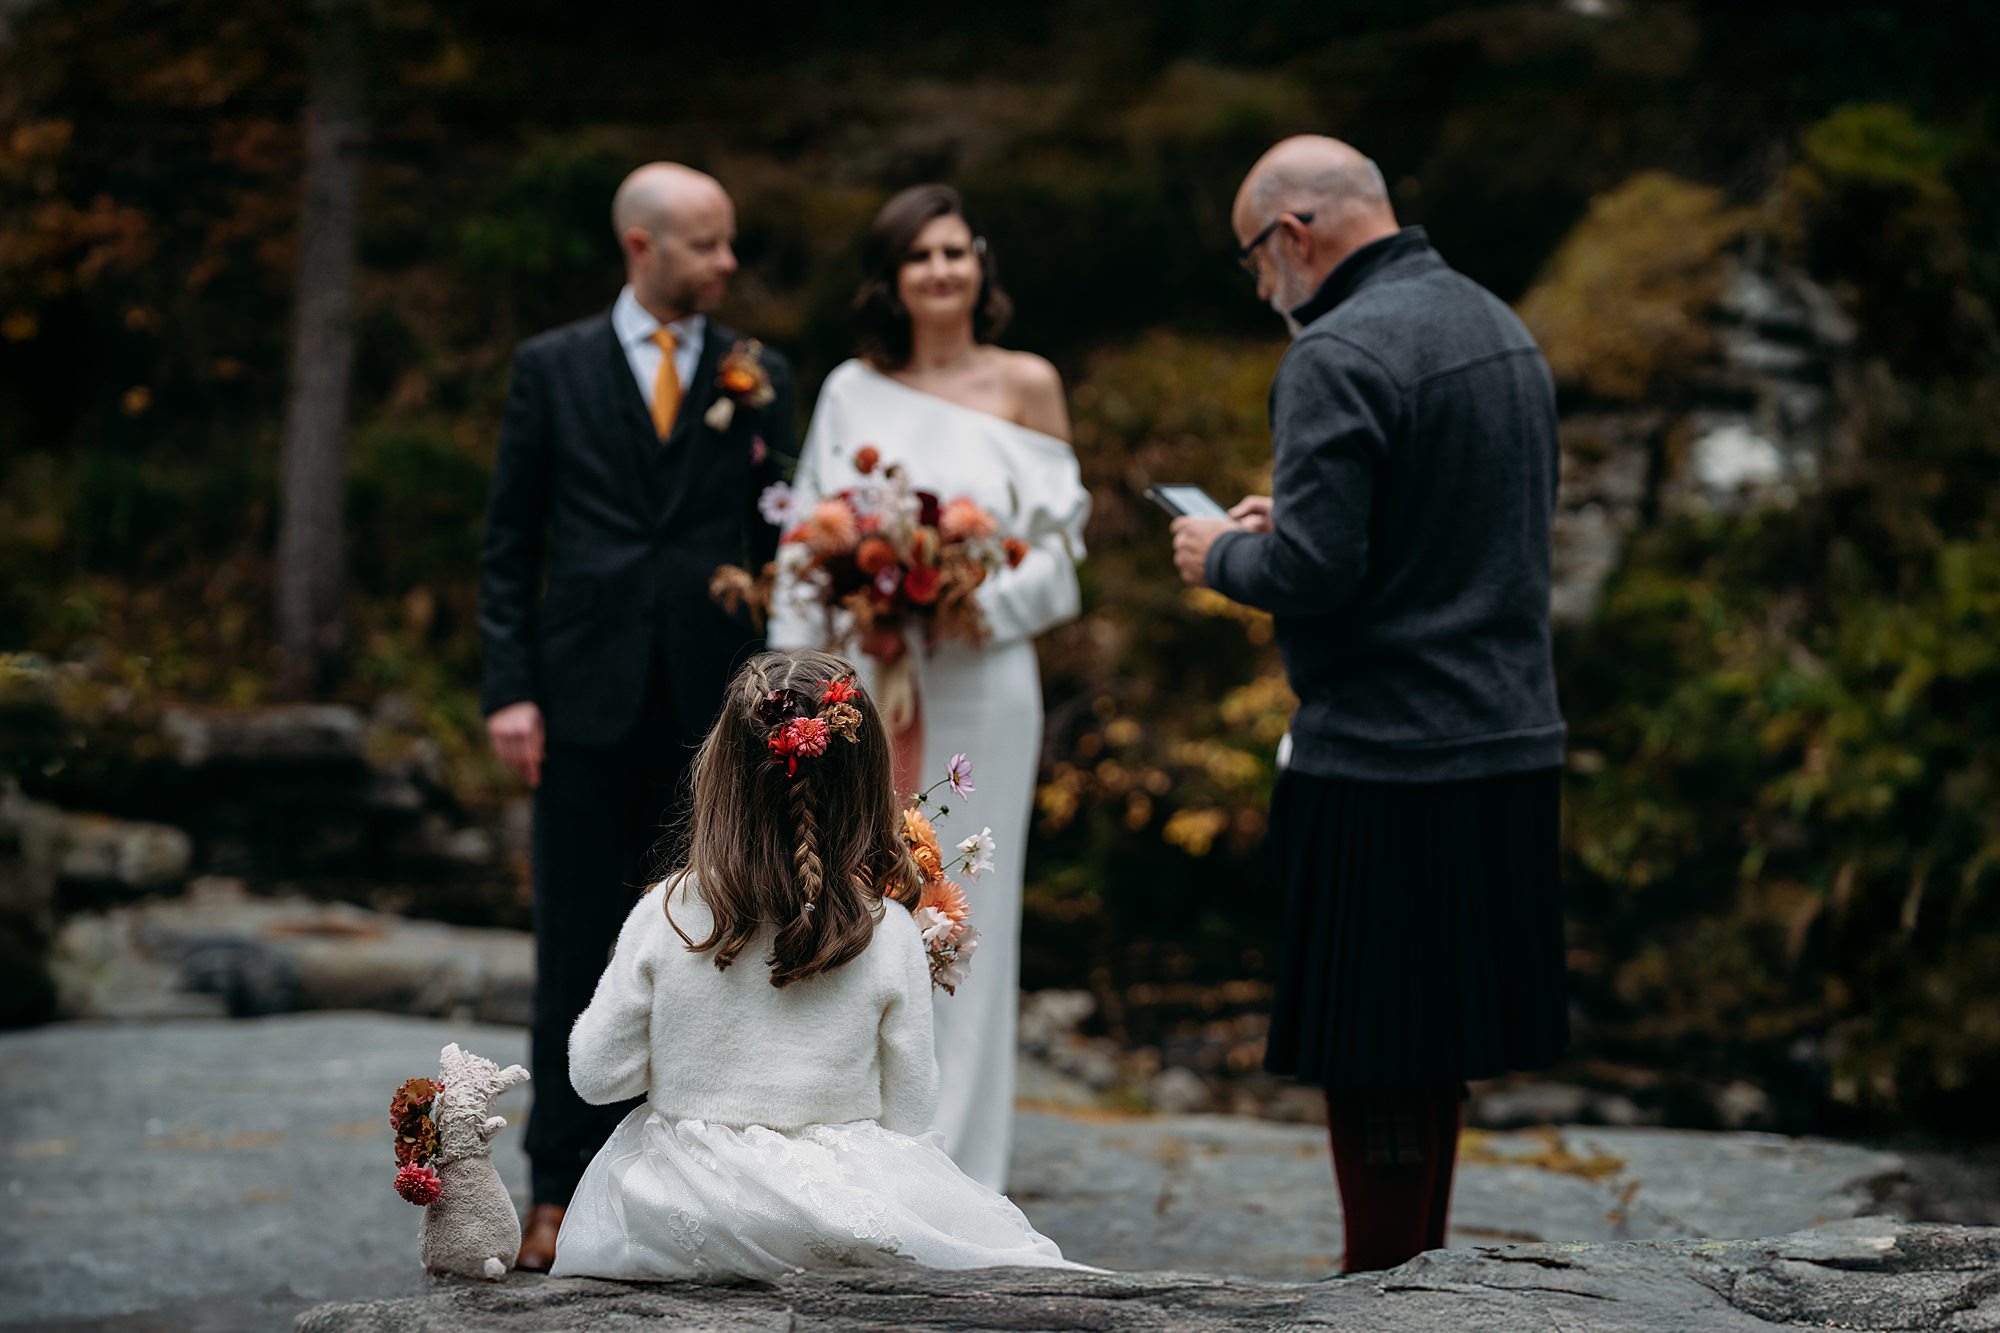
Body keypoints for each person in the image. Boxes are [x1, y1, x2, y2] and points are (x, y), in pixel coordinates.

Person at [1170, 136, 1569, 1273]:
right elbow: (1446, 530)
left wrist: (1219, 556)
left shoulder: (1335, 352)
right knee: (1431, 1048)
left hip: (1385, 755)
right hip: (1503, 737)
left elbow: (1313, 577)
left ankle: (1380, 1291)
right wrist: (1290, 520)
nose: (1258, 289)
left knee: (1375, 1051)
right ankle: (1421, 1278)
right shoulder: (1499, 324)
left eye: (1253, 260)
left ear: (1293, 235)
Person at [477, 162, 795, 1270]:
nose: (727, 263)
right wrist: (508, 688)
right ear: (639, 247)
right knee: (575, 942)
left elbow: (779, 540)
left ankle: (694, 1188)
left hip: (717, 714)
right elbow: (510, 542)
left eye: (728, 242)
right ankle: (556, 1189)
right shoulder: (549, 369)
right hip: (581, 701)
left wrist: (781, 700)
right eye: (707, 244)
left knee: (712, 941)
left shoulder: (759, 374)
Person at [547, 650, 1079, 1279]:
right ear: (867, 782)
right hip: (831, 1215)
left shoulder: (665, 914)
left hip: (679, 1207)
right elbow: (911, 1112)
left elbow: (596, 1075)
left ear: (719, 774)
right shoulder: (889, 931)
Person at [769, 185, 1090, 1192]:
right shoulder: (849, 391)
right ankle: (857, 1154)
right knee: (857, 899)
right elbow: (801, 549)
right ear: (891, 279)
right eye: (920, 257)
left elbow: (1061, 558)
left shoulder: (1026, 384)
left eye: (956, 252)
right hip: (869, 681)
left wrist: (967, 607)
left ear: (979, 266)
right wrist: (788, 689)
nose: (941, 271)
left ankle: (961, 1171)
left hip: (982, 682)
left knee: (970, 912)